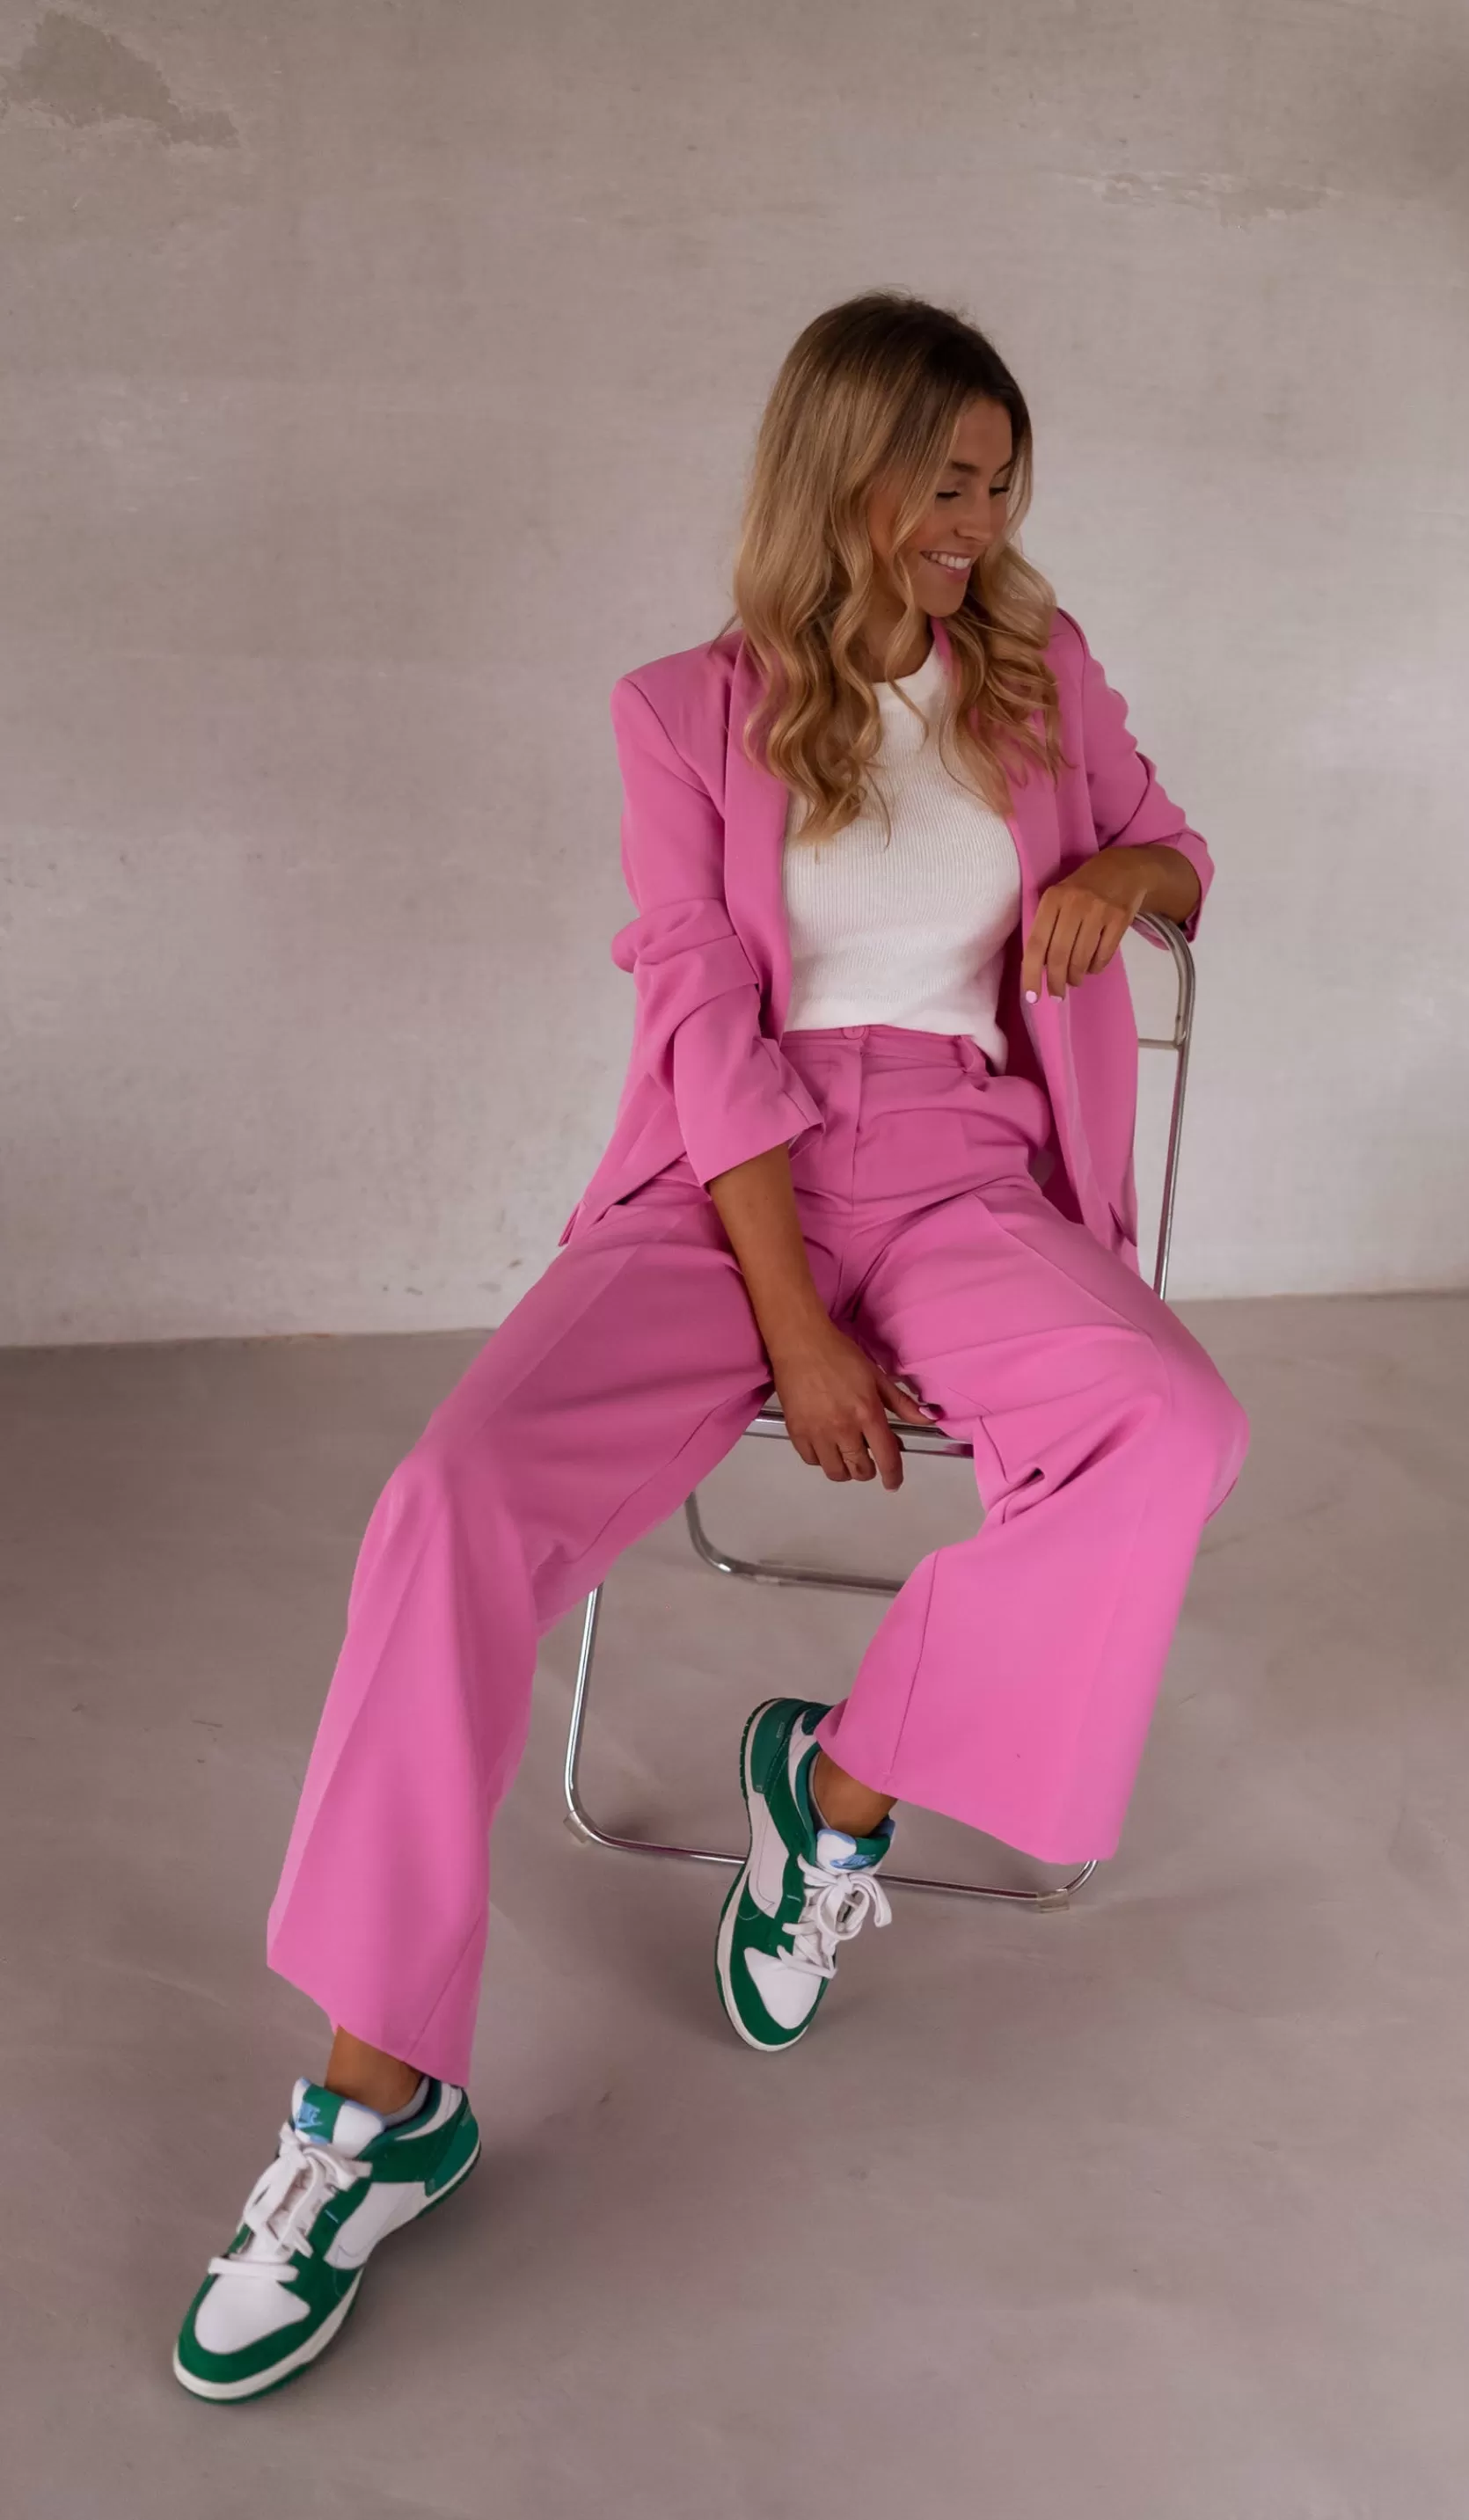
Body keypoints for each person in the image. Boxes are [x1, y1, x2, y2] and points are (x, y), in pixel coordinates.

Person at [172, 291, 1249, 2401]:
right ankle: (377, 2105)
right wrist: (792, 1328)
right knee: (450, 1500)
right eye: (945, 482)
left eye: (1002, 484)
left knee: (1171, 1426)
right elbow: (701, 1012)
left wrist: (1121, 869)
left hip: (967, 1169)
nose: (979, 523)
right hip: (723, 1180)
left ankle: (831, 1788)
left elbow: (1185, 860)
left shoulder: (1040, 674)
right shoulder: (682, 711)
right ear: (840, 473)